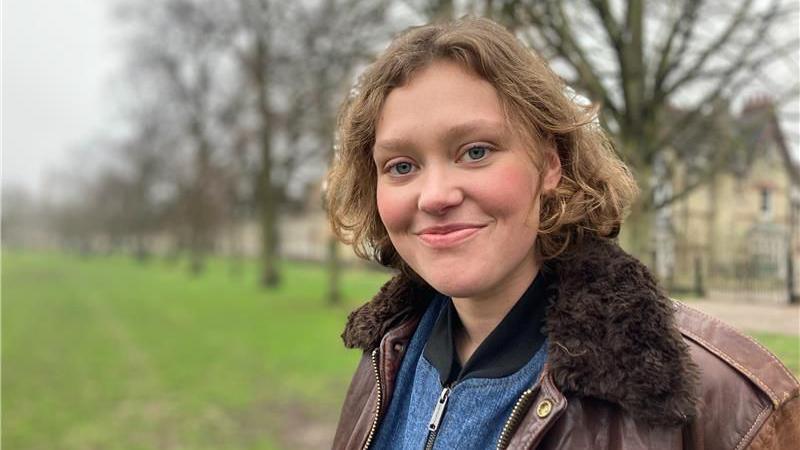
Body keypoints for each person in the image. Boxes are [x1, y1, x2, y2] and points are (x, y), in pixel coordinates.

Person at [324, 17, 799, 450]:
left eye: (475, 152)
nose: (435, 196)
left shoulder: (728, 406)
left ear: (550, 163)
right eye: (402, 166)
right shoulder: (384, 357)